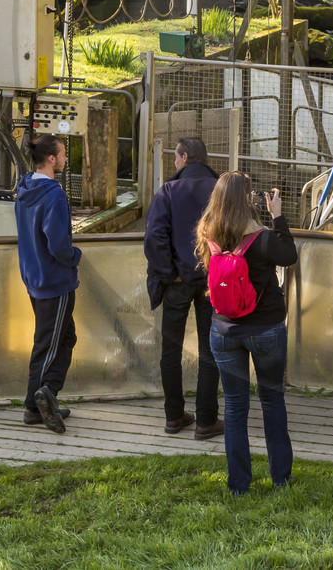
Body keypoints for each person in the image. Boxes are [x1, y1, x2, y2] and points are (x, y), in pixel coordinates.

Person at [196, 173, 299, 495]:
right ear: (246, 199)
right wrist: (277, 215)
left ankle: (239, 485)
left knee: (235, 407)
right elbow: (289, 256)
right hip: (265, 329)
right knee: (272, 400)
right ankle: (281, 478)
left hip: (223, 330)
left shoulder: (208, 234)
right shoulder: (263, 238)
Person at [143, 136, 223, 440]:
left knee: (171, 350)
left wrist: (170, 273)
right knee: (210, 351)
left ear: (185, 157)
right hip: (213, 282)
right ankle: (206, 420)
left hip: (177, 282)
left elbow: (154, 237)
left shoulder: (168, 190)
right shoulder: (221, 190)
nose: (175, 163)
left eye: (176, 157)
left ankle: (174, 416)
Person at [15, 135, 81, 433]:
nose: (66, 159)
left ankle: (44, 397)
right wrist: (74, 256)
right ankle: (38, 400)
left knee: (62, 338)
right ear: (52, 159)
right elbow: (58, 244)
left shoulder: (25, 188)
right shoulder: (53, 195)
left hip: (34, 276)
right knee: (50, 343)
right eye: (63, 154)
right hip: (55, 280)